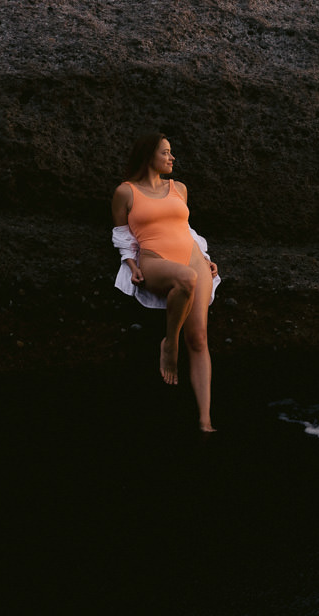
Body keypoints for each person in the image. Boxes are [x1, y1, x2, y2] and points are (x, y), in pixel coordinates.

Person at [111, 133, 219, 432]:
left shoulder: (179, 188)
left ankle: (205, 421)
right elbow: (122, 236)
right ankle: (169, 344)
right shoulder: (126, 192)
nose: (172, 158)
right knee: (186, 280)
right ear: (149, 156)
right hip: (155, 258)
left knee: (198, 338)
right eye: (166, 153)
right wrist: (131, 265)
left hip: (193, 256)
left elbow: (184, 227)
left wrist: (205, 256)